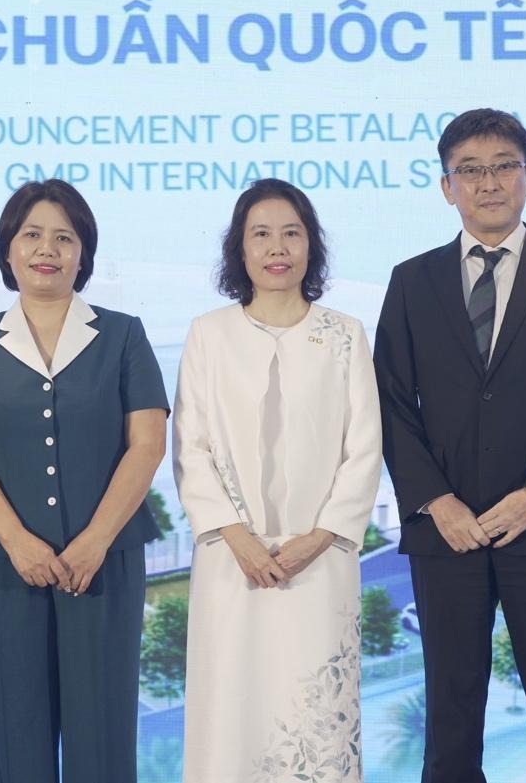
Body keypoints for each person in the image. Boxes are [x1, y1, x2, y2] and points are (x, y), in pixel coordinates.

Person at [374, 108, 526, 783]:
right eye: (471, 170)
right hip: (446, 533)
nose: (489, 182)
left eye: (504, 165)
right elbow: (389, 402)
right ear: (447, 185)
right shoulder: (412, 279)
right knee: (451, 722)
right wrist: (435, 501)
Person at [0, 179, 168, 783]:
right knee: (14, 731)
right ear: (7, 249)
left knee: (103, 731)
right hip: (7, 563)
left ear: (83, 252)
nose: (48, 249)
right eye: (32, 235)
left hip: (105, 561)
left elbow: (147, 443)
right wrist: (16, 539)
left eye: (64, 238)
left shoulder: (123, 334)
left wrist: (95, 540)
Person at [174, 178, 383, 783]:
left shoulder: (345, 334)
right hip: (230, 560)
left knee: (315, 720)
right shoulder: (209, 333)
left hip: (320, 562)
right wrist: (237, 538)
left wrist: (318, 538)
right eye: (260, 234)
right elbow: (190, 445)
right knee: (230, 714)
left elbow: (364, 448)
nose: (277, 248)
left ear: (311, 245)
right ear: (239, 249)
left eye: (292, 233)